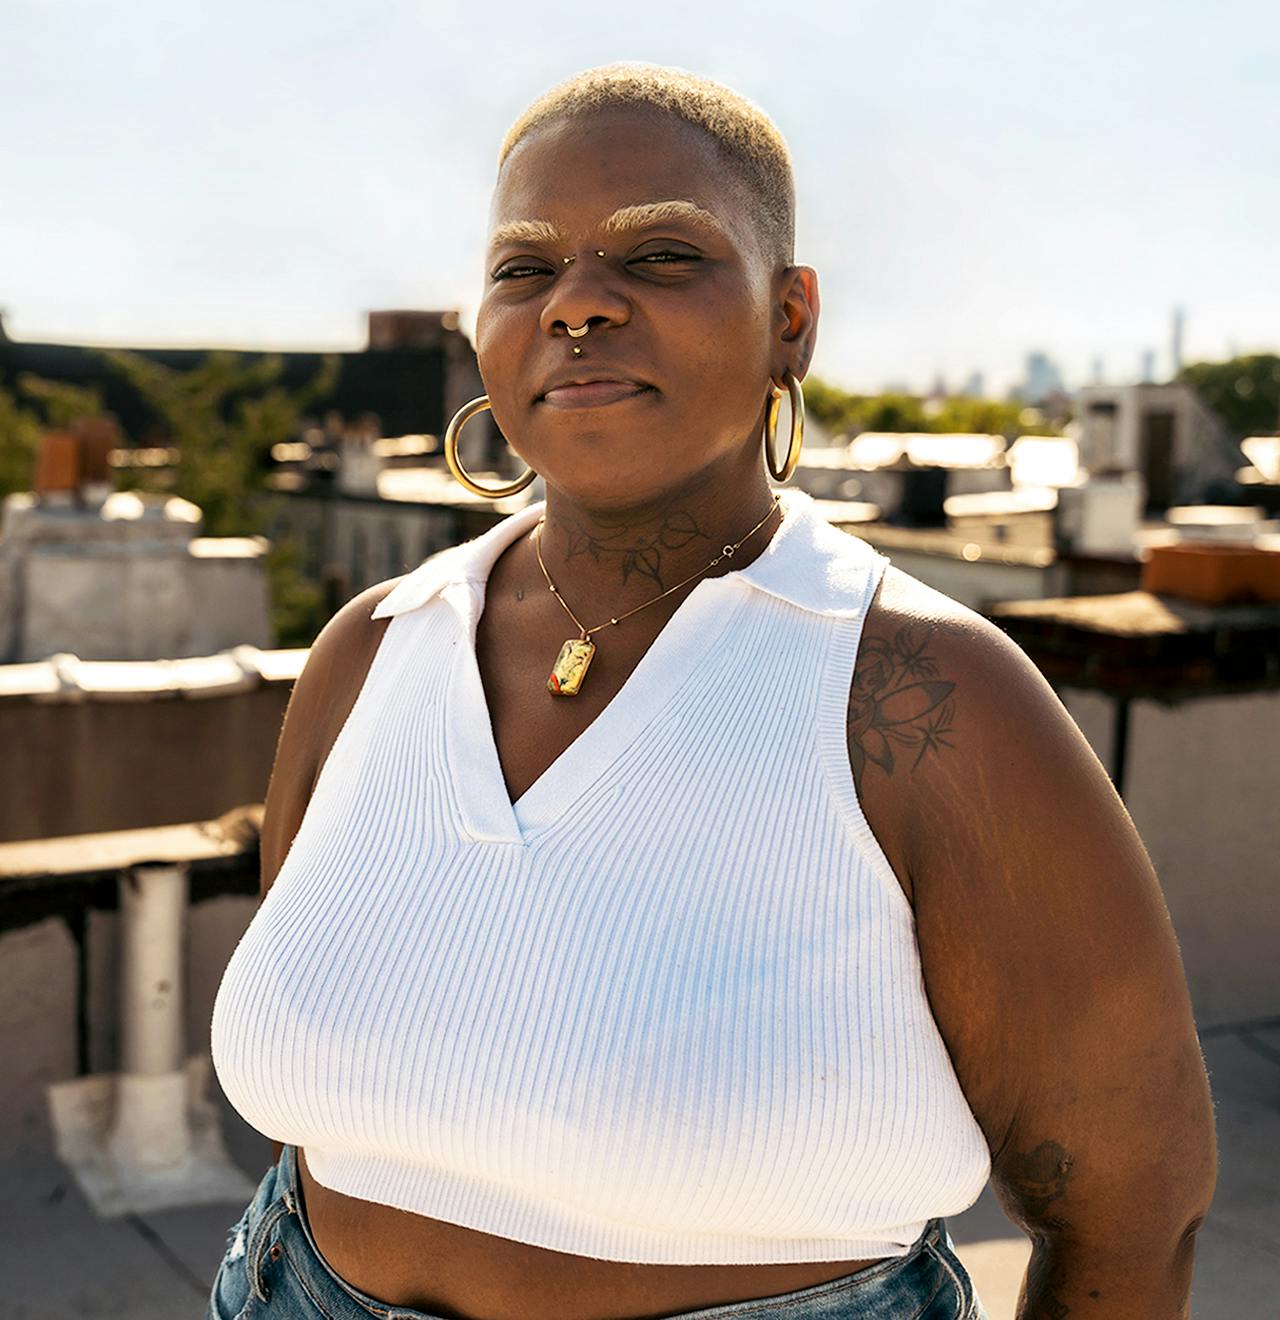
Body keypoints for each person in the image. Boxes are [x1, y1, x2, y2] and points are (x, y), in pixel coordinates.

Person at [208, 63, 1217, 1320]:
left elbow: (1130, 1205)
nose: (577, 301)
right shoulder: (370, 652)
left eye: (661, 255)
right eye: (524, 267)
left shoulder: (920, 699)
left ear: (789, 318)